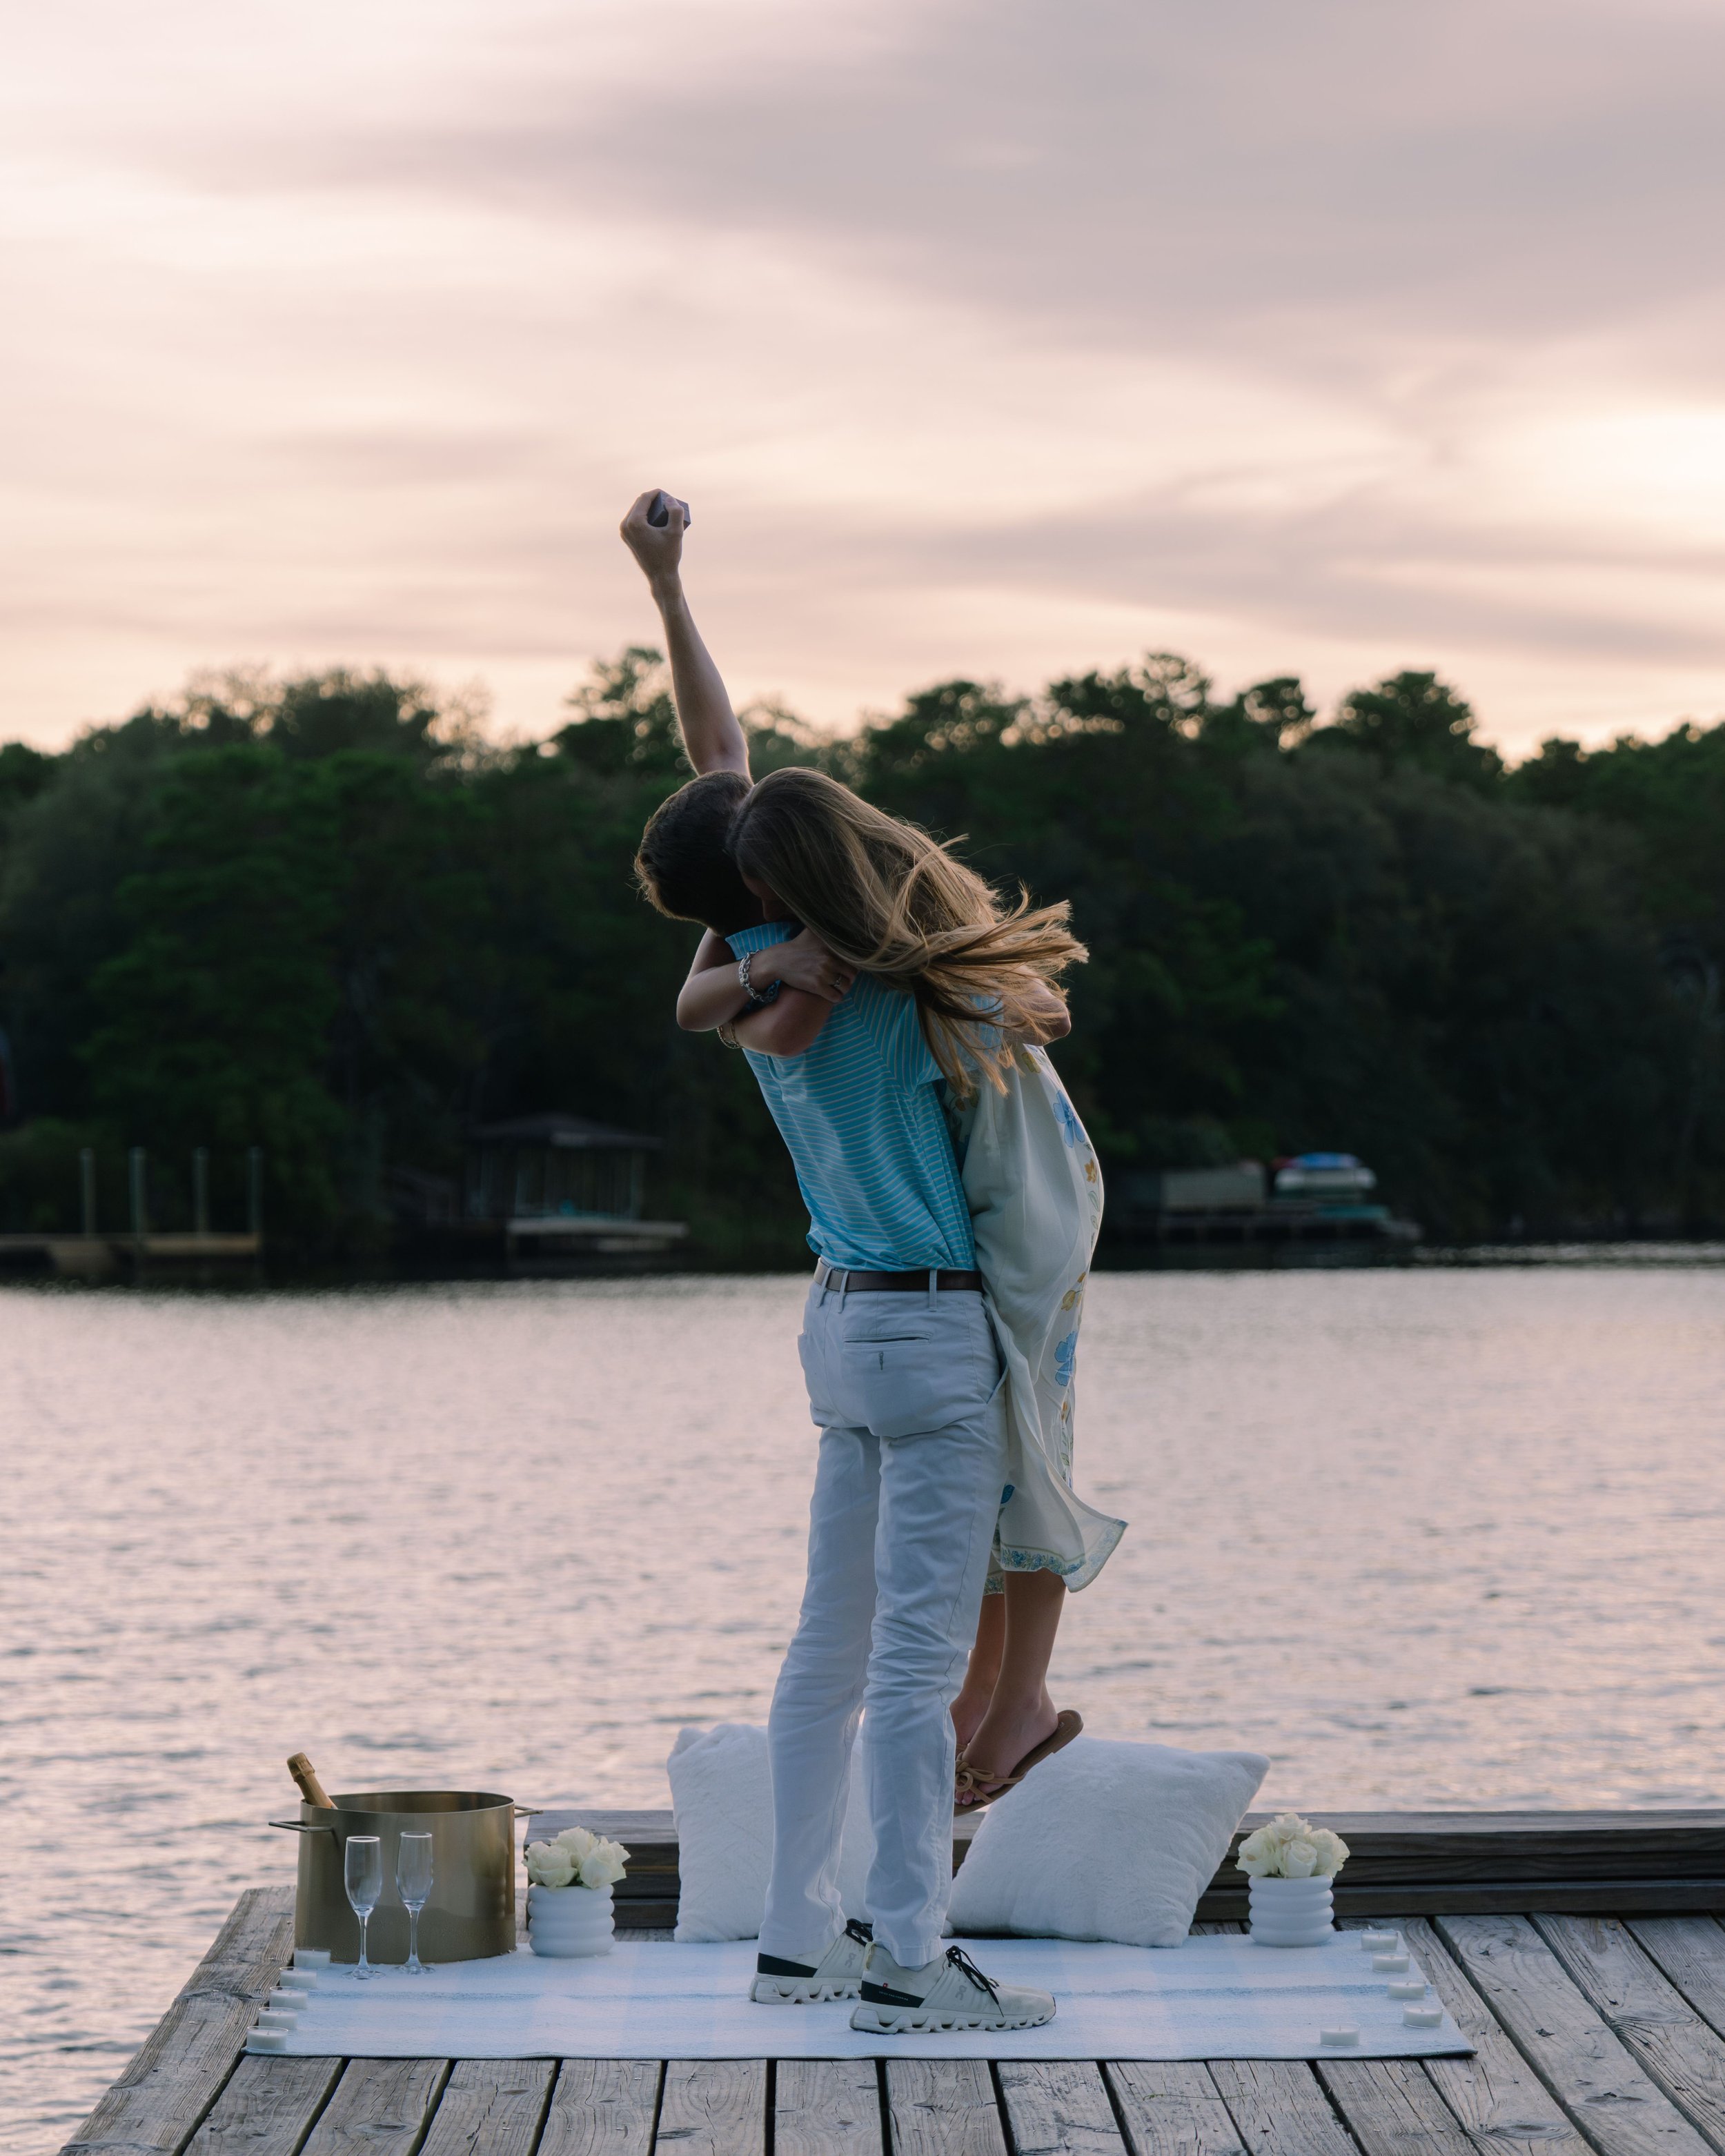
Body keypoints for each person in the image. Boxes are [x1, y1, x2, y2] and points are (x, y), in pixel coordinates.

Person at [620, 488, 1079, 2033]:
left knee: (822, 1656)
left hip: (832, 1334)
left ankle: (791, 1942)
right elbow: (740, 787)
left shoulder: (758, 981)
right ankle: (905, 1959)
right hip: (929, 1336)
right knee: (908, 1662)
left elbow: (716, 765)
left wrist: (668, 592)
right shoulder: (876, 975)